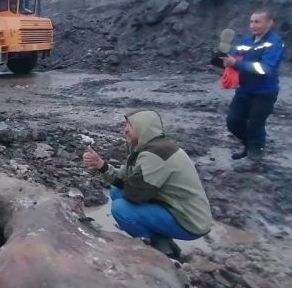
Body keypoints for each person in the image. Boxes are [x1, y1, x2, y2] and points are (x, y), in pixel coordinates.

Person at [82, 109, 213, 259]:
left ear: (143, 128)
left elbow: (135, 195)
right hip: (173, 207)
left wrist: (127, 185)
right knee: (116, 193)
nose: (124, 129)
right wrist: (101, 164)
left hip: (190, 221)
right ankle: (164, 242)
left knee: (120, 209)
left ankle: (159, 250)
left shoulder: (155, 154)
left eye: (129, 125)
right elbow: (122, 178)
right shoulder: (148, 147)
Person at [219, 10, 285, 163]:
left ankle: (256, 154)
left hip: (264, 93)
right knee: (233, 122)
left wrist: (236, 63)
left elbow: (264, 68)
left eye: (257, 22)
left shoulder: (275, 43)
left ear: (269, 23)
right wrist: (221, 59)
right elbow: (234, 59)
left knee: (256, 124)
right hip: (243, 90)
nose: (253, 25)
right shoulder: (245, 42)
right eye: (251, 22)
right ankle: (249, 146)